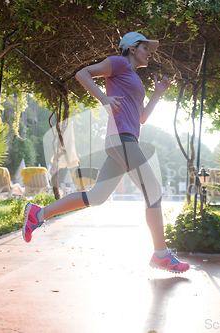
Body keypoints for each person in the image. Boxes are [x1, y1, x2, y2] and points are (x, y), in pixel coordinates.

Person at [22, 32, 189, 273]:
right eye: (145, 47)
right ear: (132, 48)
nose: (149, 52)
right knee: (153, 190)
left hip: (125, 140)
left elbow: (141, 118)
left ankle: (39, 213)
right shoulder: (119, 63)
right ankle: (161, 254)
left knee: (96, 197)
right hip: (121, 140)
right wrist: (103, 98)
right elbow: (83, 74)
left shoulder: (135, 79)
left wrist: (158, 93)